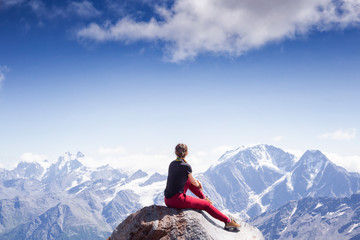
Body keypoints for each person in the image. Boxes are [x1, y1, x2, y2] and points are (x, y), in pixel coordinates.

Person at [164, 143, 241, 230]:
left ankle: (203, 197)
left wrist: (195, 182)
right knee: (206, 205)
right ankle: (228, 221)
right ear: (187, 153)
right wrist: (199, 184)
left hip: (167, 200)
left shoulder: (172, 164)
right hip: (177, 200)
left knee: (188, 181)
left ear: (175, 152)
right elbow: (194, 182)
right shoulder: (186, 166)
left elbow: (189, 181)